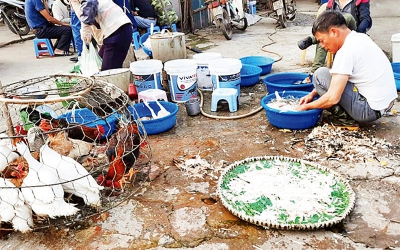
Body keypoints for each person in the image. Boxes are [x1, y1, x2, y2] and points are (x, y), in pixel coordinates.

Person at [296, 10, 397, 125]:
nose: (323, 46)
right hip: (384, 105)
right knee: (325, 75)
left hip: (369, 110)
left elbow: (333, 98)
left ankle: (348, 120)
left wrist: (305, 107)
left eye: (322, 41)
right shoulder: (359, 38)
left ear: (334, 32)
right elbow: (338, 77)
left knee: (319, 75)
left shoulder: (346, 51)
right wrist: (312, 94)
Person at [298, 0, 372, 73]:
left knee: (348, 17)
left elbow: (366, 20)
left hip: (352, 30)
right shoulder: (332, 1)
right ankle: (315, 72)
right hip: (334, 33)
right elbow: (325, 20)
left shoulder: (360, 0)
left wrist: (357, 35)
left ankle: (312, 39)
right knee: (324, 39)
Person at [70, 0, 133, 71]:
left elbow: (90, 3)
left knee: (107, 73)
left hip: (117, 30)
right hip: (114, 32)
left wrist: (85, 26)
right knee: (99, 63)